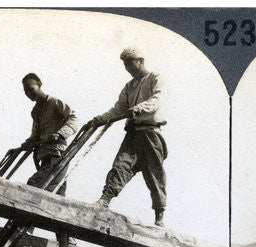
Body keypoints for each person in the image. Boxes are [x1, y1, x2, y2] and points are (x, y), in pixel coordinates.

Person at [88, 48, 168, 227]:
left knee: (154, 174)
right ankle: (104, 200)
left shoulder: (156, 78)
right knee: (120, 166)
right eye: (124, 65)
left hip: (151, 133)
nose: (127, 68)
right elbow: (119, 109)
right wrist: (99, 119)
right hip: (133, 133)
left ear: (140, 60)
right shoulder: (129, 86)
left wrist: (140, 108)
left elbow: (157, 99)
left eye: (129, 64)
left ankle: (159, 216)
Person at [20, 73, 80, 194]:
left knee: (35, 183)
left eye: (31, 89)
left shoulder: (54, 103)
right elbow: (36, 133)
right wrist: (28, 142)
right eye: (26, 91)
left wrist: (60, 134)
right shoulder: (35, 111)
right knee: (56, 189)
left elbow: (73, 119)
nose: (29, 94)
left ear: (39, 84)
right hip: (44, 155)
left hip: (57, 153)